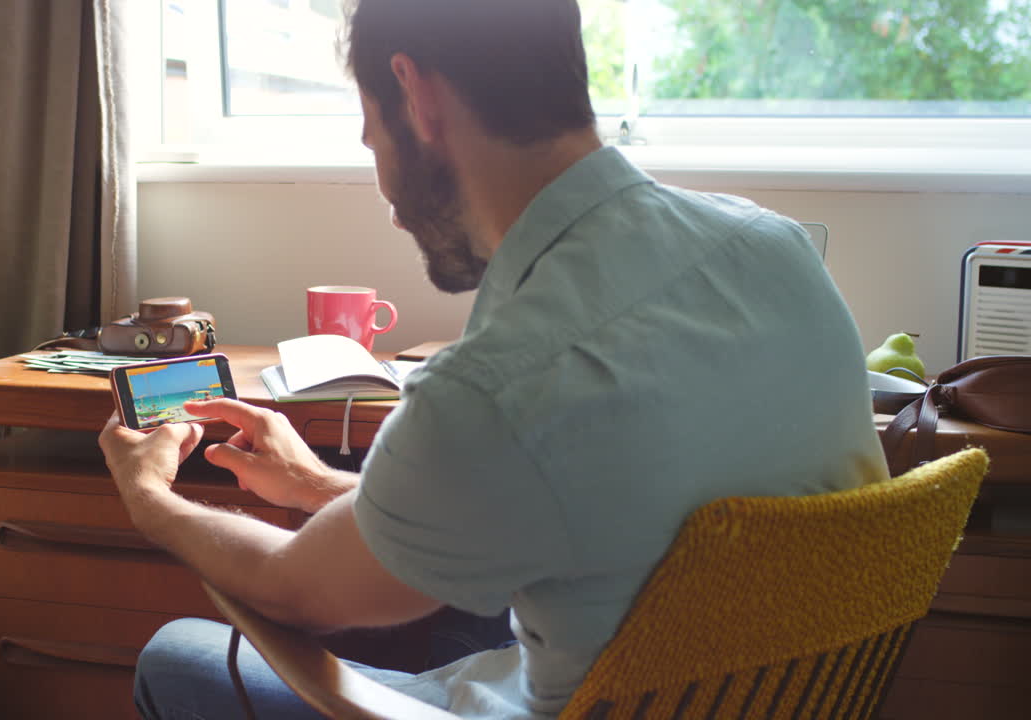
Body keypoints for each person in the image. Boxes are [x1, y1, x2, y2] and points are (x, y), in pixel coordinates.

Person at [98, 0, 891, 717]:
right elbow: (590, 514)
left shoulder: (498, 389)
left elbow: (295, 590)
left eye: (372, 135)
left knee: (177, 658)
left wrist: (152, 503)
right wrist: (313, 485)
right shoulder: (776, 248)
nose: (384, 187)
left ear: (417, 93)